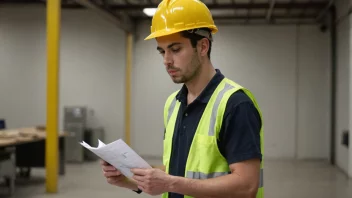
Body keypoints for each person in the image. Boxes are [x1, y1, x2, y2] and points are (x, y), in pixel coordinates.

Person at [101, 0, 264, 198]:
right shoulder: (173, 104)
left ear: (203, 46)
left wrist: (170, 182)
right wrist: (129, 179)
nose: (166, 61)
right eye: (162, 51)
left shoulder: (235, 104)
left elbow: (246, 186)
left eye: (175, 49)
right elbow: (178, 169)